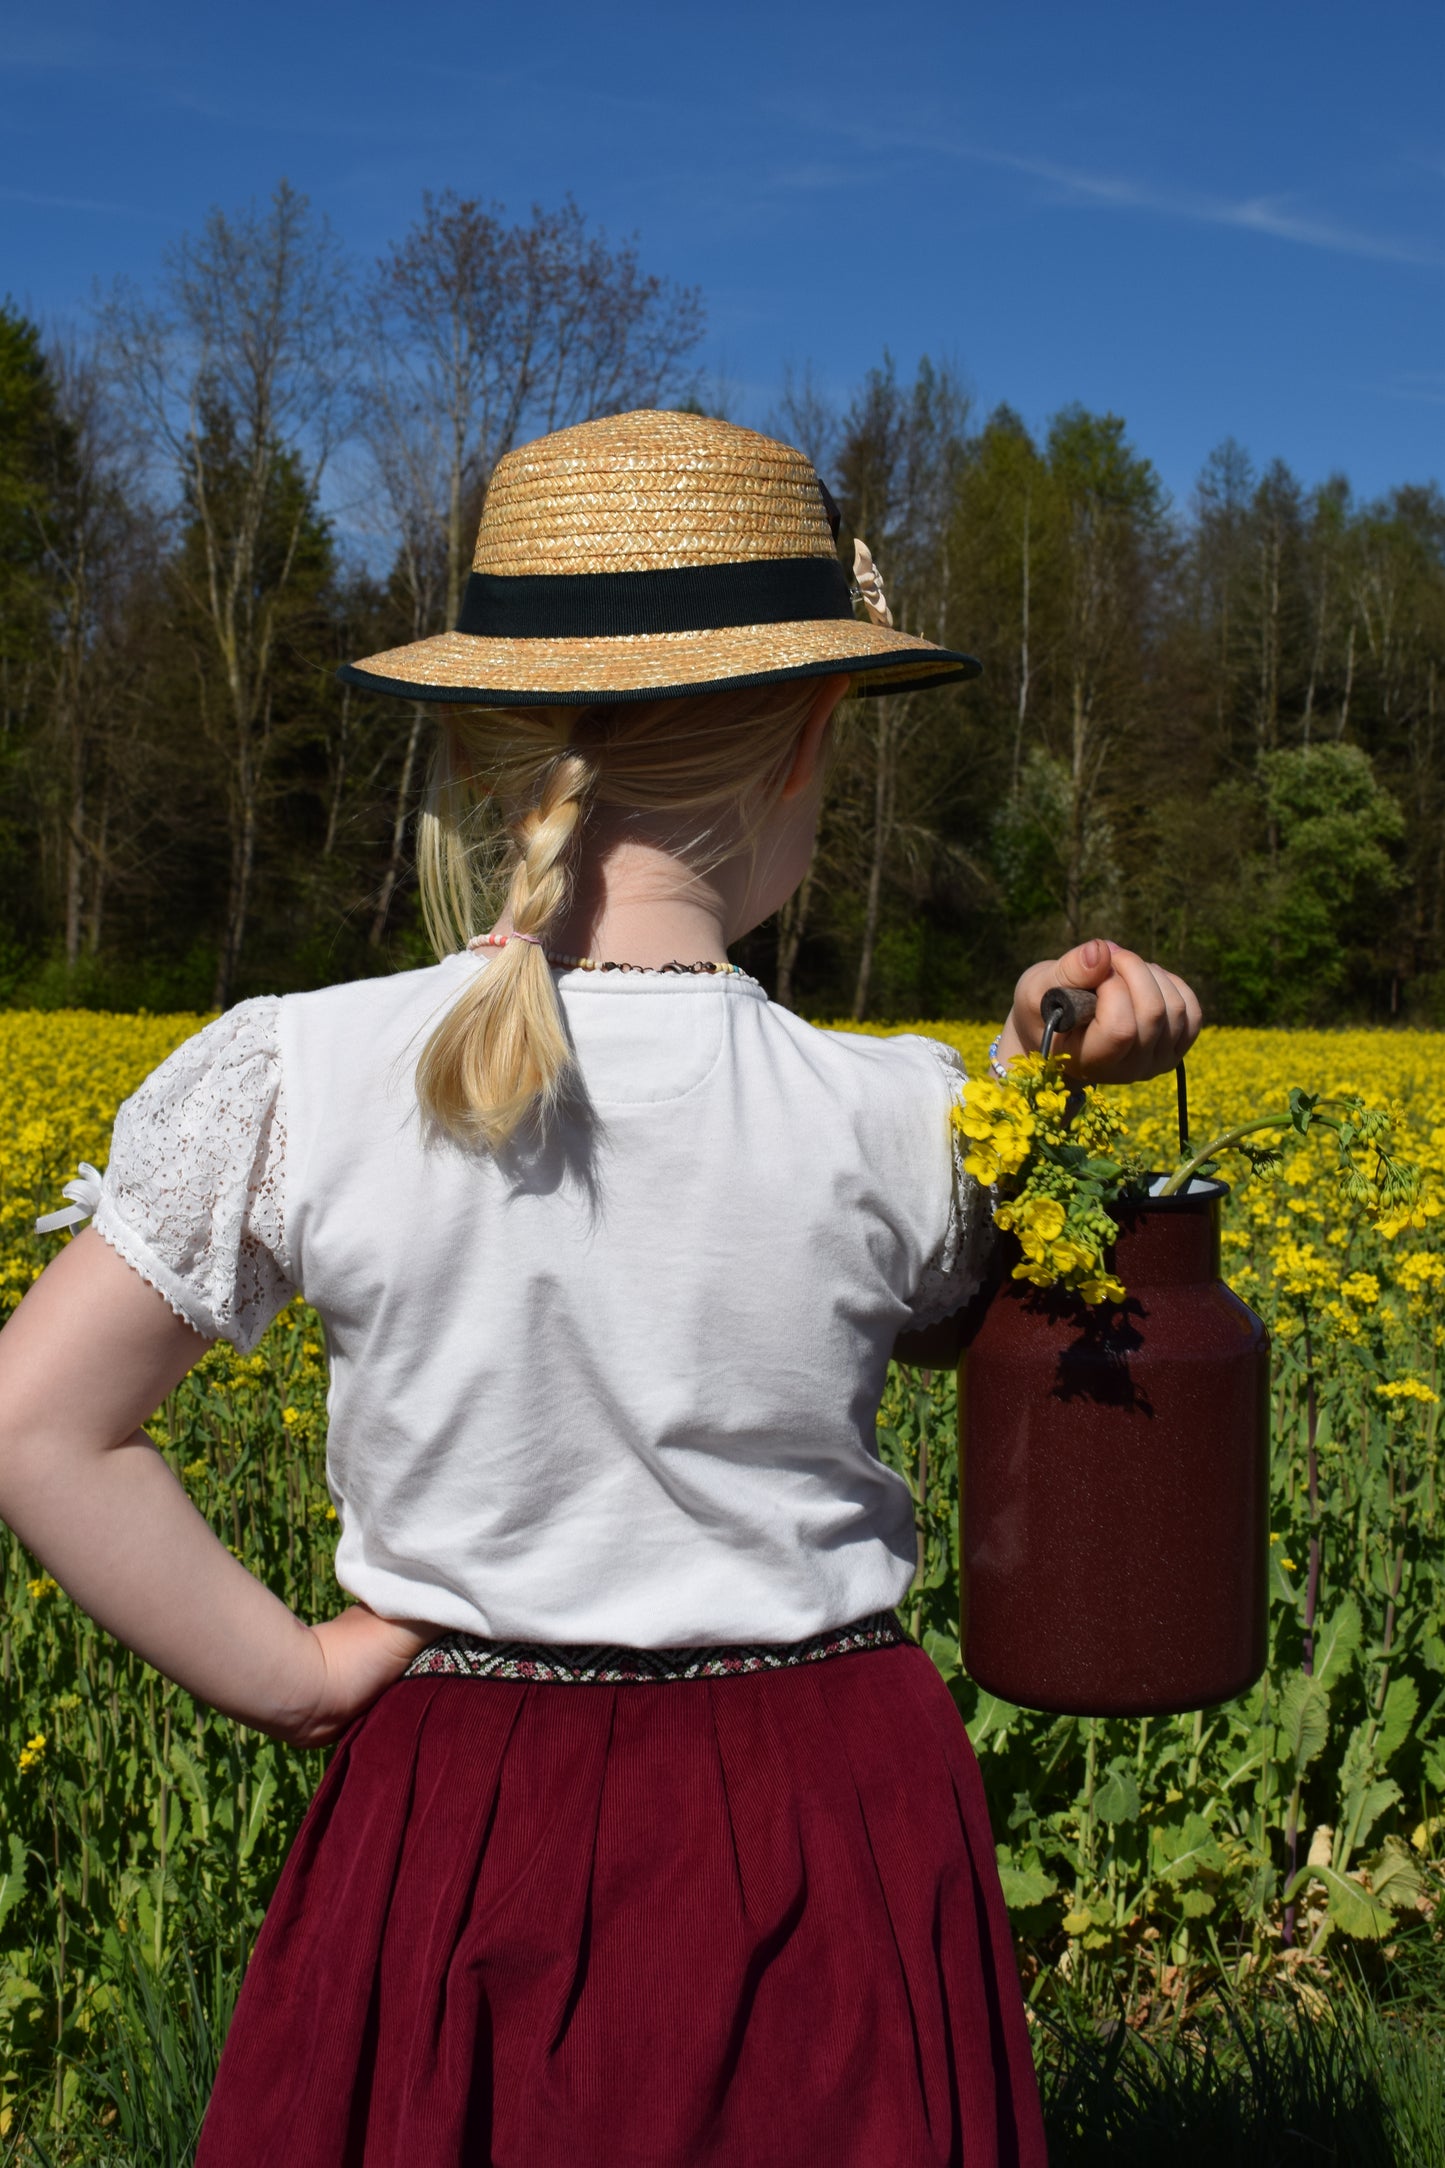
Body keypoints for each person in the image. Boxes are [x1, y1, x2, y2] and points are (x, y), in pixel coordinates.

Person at [0, 410, 1199, 2167]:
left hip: (461, 1800)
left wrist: (299, 1679)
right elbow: (965, 1329)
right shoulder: (900, 1112)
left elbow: (34, 1424)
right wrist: (1035, 1079)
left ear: (490, 743)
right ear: (809, 738)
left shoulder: (301, 1069)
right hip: (828, 1801)